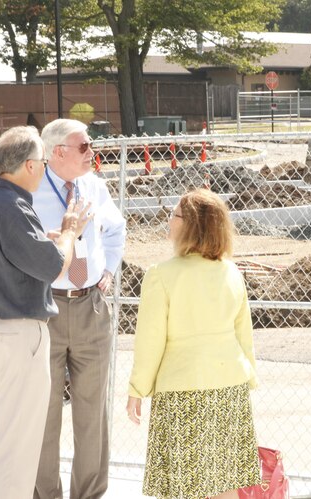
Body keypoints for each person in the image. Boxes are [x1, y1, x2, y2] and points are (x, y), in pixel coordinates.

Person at [0, 126, 92, 499]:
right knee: (15, 456)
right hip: (15, 337)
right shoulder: (14, 205)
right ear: (31, 166)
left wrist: (46, 240)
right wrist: (68, 233)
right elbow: (54, 267)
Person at [127, 188, 261, 499]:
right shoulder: (232, 272)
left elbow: (150, 342)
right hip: (229, 388)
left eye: (174, 215)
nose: (168, 221)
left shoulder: (161, 275)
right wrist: (249, 374)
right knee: (225, 483)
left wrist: (137, 389)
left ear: (191, 225)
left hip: (183, 391)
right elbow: (243, 333)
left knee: (184, 486)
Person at [34, 119, 126, 499]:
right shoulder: (30, 189)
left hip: (91, 306)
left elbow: (117, 229)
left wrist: (107, 270)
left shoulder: (95, 187)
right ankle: (45, 494)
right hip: (44, 307)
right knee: (43, 412)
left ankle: (88, 495)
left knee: (93, 414)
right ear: (58, 152)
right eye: (85, 146)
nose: (93, 152)